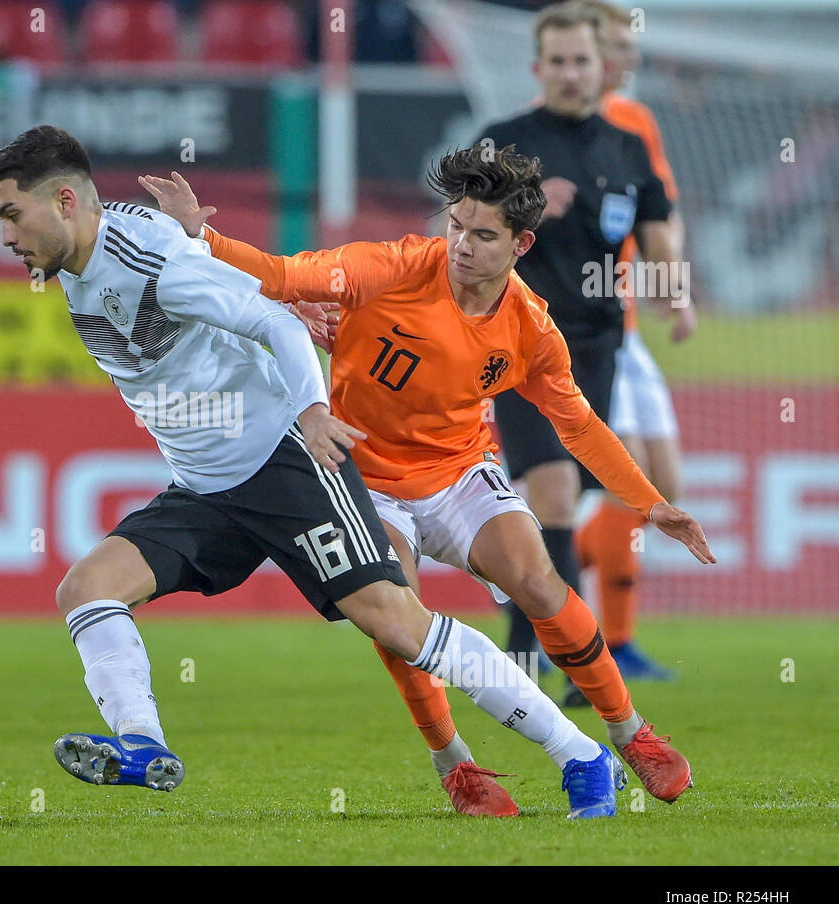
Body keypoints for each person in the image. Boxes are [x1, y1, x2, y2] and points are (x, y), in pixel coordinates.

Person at [0, 125, 628, 818]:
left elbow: (276, 324)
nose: (6, 236)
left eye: (12, 215)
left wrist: (313, 412)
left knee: (397, 623)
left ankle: (581, 755)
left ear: (66, 201)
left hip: (284, 461)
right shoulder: (87, 258)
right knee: (86, 588)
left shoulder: (149, 262)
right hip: (208, 485)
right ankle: (142, 745)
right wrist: (203, 236)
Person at [138, 145, 711, 816]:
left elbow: (578, 424)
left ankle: (627, 731)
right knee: (395, 617)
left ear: (522, 243)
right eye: (457, 225)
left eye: (483, 234)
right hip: (366, 479)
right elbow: (283, 275)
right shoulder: (388, 266)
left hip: (461, 471)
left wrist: (650, 503)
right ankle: (456, 764)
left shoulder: (529, 327)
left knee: (537, 579)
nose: (462, 244)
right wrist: (201, 236)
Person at [473, 4, 687, 676]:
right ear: (539, 69)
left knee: (567, 500)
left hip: (596, 345)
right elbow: (456, 230)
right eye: (557, 62)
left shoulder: (627, 148)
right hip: (520, 338)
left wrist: (673, 289)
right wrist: (518, 206)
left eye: (581, 61)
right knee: (557, 488)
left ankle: (523, 640)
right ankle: (568, 659)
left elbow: (657, 227)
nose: (569, 73)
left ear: (604, 68)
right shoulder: (505, 142)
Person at [565, 0, 693, 688]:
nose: (630, 62)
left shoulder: (635, 123)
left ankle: (540, 564)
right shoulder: (553, 132)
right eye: (621, 48)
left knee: (664, 488)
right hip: (579, 334)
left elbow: (658, 218)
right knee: (632, 477)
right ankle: (611, 637)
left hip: (627, 326)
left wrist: (674, 285)